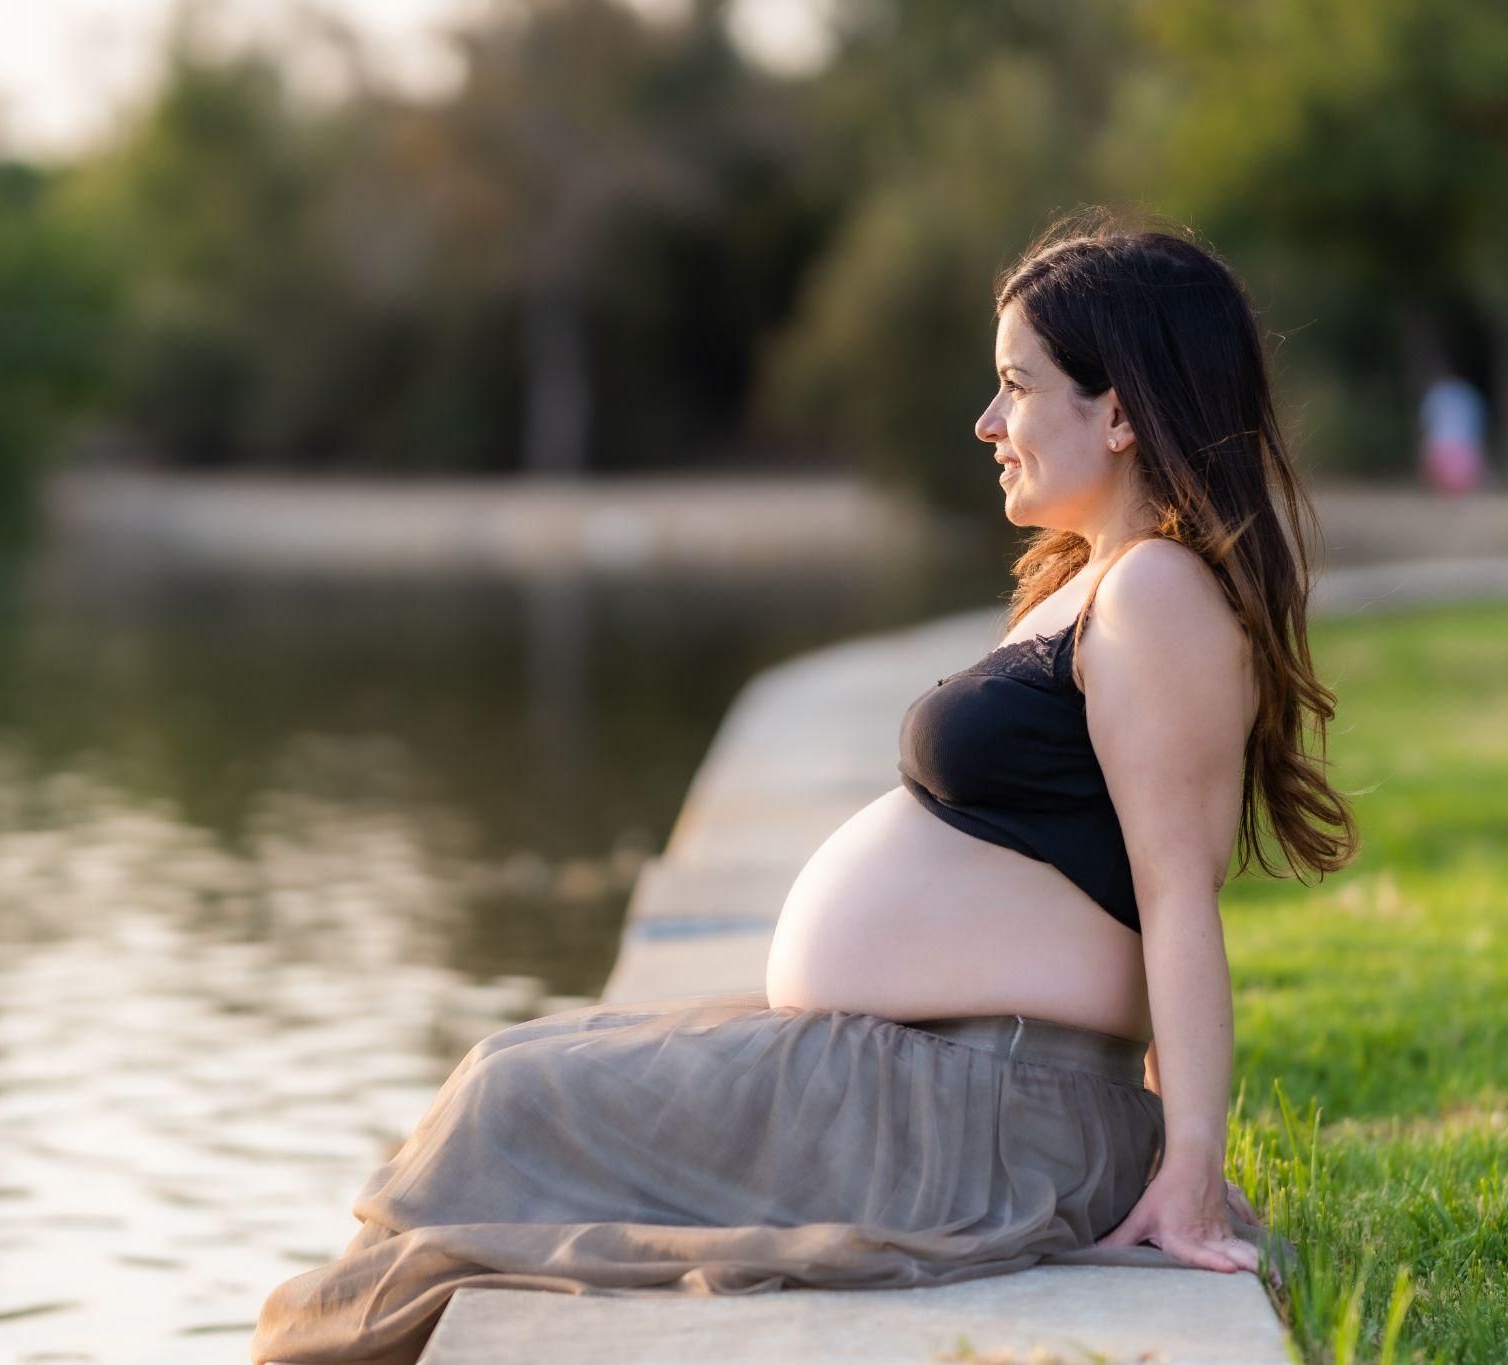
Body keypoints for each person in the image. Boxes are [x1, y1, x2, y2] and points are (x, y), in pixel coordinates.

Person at [250, 215, 1359, 1365]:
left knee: (507, 1105)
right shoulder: (1095, 584)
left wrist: (1185, 1175)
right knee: (508, 1090)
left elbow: (1176, 897)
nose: (986, 424)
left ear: (1119, 410)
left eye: (1015, 388)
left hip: (968, 1119)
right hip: (925, 1084)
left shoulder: (1156, 597)